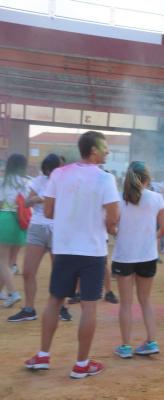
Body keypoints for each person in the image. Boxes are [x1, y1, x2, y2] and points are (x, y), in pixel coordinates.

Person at [25, 131, 120, 378]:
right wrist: (109, 227)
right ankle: (81, 364)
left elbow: (48, 211)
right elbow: (113, 218)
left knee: (55, 300)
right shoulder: (105, 179)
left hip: (65, 247)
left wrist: (70, 217)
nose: (108, 151)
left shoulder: (59, 173)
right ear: (94, 149)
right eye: (105, 147)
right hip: (92, 250)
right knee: (89, 305)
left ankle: (43, 356)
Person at [112, 162, 164, 359]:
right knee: (145, 300)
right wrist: (150, 239)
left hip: (124, 256)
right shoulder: (156, 198)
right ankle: (151, 341)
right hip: (147, 255)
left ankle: (126, 346)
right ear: (147, 178)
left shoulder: (119, 199)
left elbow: (110, 225)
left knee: (126, 304)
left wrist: (118, 233)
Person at [8, 154, 72, 322]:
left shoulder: (67, 183)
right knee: (28, 271)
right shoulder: (39, 181)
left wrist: (44, 200)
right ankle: (29, 309)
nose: (60, 170)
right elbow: (27, 203)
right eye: (57, 167)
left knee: (60, 271)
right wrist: (38, 199)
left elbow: (69, 205)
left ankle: (63, 308)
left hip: (58, 228)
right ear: (48, 169)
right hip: (37, 227)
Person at [0, 153, 29, 308]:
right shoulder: (27, 183)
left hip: (5, 219)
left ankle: (13, 292)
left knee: (2, 261)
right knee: (10, 262)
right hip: (20, 222)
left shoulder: (3, 183)